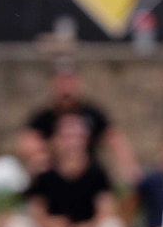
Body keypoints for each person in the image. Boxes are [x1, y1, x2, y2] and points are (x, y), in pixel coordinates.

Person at [16, 58, 140, 187]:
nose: (66, 87)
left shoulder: (93, 113)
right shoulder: (43, 117)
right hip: (54, 174)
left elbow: (116, 140)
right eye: (62, 81)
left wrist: (129, 171)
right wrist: (55, 148)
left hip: (89, 176)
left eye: (70, 81)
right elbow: (26, 144)